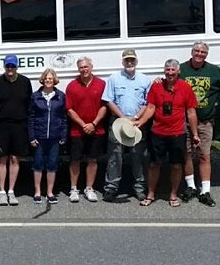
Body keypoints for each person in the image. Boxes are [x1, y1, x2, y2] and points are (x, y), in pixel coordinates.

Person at [179, 41, 220, 207]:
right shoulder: (182, 69)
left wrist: (219, 102)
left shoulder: (214, 71)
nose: (199, 54)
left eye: (203, 52)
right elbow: (169, 82)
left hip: (205, 121)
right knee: (187, 155)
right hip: (185, 121)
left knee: (205, 155)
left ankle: (205, 190)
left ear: (207, 54)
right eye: (196, 51)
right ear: (192, 52)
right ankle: (190, 187)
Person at [144, 59, 200, 208]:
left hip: (177, 133)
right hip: (157, 132)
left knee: (176, 165)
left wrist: (195, 134)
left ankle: (173, 194)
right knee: (154, 164)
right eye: (167, 70)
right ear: (164, 71)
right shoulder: (156, 86)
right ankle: (150, 193)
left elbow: (191, 112)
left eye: (173, 70)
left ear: (178, 72)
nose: (170, 73)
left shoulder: (185, 87)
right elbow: (150, 108)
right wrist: (139, 123)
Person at [103, 49, 152, 202]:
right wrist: (123, 118)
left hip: (138, 123)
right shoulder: (114, 78)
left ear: (136, 61)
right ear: (122, 62)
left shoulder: (144, 80)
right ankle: (111, 187)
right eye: (126, 60)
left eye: (132, 60)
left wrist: (137, 117)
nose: (129, 63)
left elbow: (147, 102)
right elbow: (108, 100)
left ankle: (140, 187)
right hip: (118, 122)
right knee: (114, 155)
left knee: (139, 155)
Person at [65, 56, 109, 203]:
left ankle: (89, 188)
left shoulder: (101, 84)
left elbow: (105, 106)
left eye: (86, 67)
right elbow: (69, 109)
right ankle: (74, 188)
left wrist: (94, 123)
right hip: (77, 130)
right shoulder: (72, 86)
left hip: (97, 129)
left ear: (91, 67)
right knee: (75, 159)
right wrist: (83, 124)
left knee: (93, 159)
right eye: (81, 67)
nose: (84, 69)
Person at [0, 54, 32, 206]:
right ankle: (1, 192)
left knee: (15, 158)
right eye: (8, 66)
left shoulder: (25, 82)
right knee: (1, 158)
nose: (10, 69)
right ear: (4, 66)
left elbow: (29, 105)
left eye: (13, 66)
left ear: (17, 67)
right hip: (2, 125)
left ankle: (11, 191)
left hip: (19, 125)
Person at [27, 68, 66, 204]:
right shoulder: (36, 96)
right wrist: (31, 136)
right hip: (39, 135)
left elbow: (63, 117)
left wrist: (63, 135)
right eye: (46, 78)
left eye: (51, 78)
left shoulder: (60, 95)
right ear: (42, 80)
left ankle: (50, 192)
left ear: (54, 80)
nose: (48, 81)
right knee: (38, 164)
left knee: (52, 164)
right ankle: (37, 192)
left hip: (54, 136)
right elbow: (31, 117)